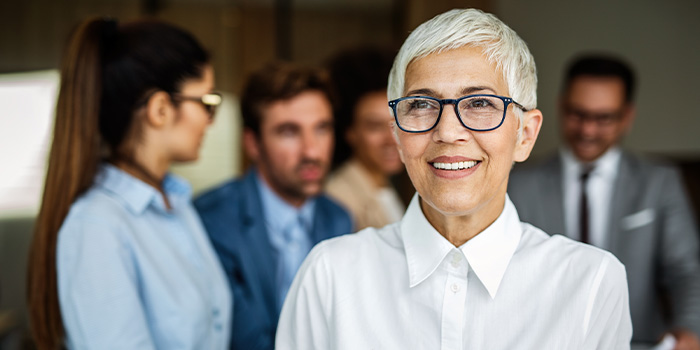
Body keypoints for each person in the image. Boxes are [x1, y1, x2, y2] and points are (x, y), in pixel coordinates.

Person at [276, 8, 632, 349]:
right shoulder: (329, 276)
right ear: (398, 137)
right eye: (420, 104)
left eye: (479, 104)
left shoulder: (591, 284)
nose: (448, 132)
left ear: (524, 134)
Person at [26, 18, 231, 349]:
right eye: (206, 103)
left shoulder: (176, 205)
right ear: (160, 109)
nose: (210, 120)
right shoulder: (98, 227)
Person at [508, 55, 700, 348]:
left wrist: (690, 329)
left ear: (627, 116)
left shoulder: (660, 183)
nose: (587, 130)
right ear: (560, 107)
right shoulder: (519, 183)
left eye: (603, 118)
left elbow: (687, 270)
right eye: (577, 114)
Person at [194, 62, 352, 350]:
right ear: (253, 144)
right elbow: (246, 342)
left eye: (322, 129)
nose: (311, 151)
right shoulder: (211, 221)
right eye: (289, 132)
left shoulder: (338, 219)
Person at [325, 46, 406, 230]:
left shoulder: (383, 186)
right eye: (375, 126)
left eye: (396, 122)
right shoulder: (339, 198)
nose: (392, 138)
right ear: (349, 132)